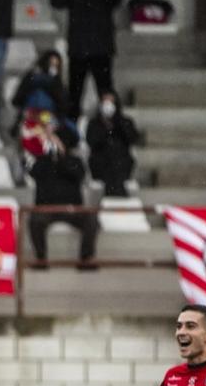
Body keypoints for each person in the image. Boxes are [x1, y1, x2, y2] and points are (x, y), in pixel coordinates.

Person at [23, 110, 96, 270]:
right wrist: (46, 155)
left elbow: (78, 175)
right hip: (46, 208)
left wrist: (61, 156)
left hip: (72, 208)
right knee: (35, 221)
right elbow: (33, 172)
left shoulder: (75, 161)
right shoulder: (41, 160)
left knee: (91, 219)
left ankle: (85, 258)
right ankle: (41, 259)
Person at [50, 0, 123, 120]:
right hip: (78, 50)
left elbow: (117, 0)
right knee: (75, 92)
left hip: (101, 51)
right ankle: (71, 126)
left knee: (105, 90)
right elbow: (58, 2)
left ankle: (112, 124)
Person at [85, 92, 139, 197]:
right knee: (110, 168)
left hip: (121, 162)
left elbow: (132, 138)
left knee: (117, 166)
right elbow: (92, 142)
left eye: (111, 102)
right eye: (105, 101)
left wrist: (116, 122)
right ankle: (115, 195)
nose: (108, 105)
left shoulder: (125, 121)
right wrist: (105, 128)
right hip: (100, 162)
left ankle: (116, 196)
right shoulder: (94, 123)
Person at [11, 49, 69, 119]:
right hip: (31, 115)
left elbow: (62, 104)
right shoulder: (33, 77)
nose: (52, 68)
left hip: (47, 117)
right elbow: (17, 99)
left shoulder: (55, 82)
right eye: (50, 64)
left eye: (55, 66)